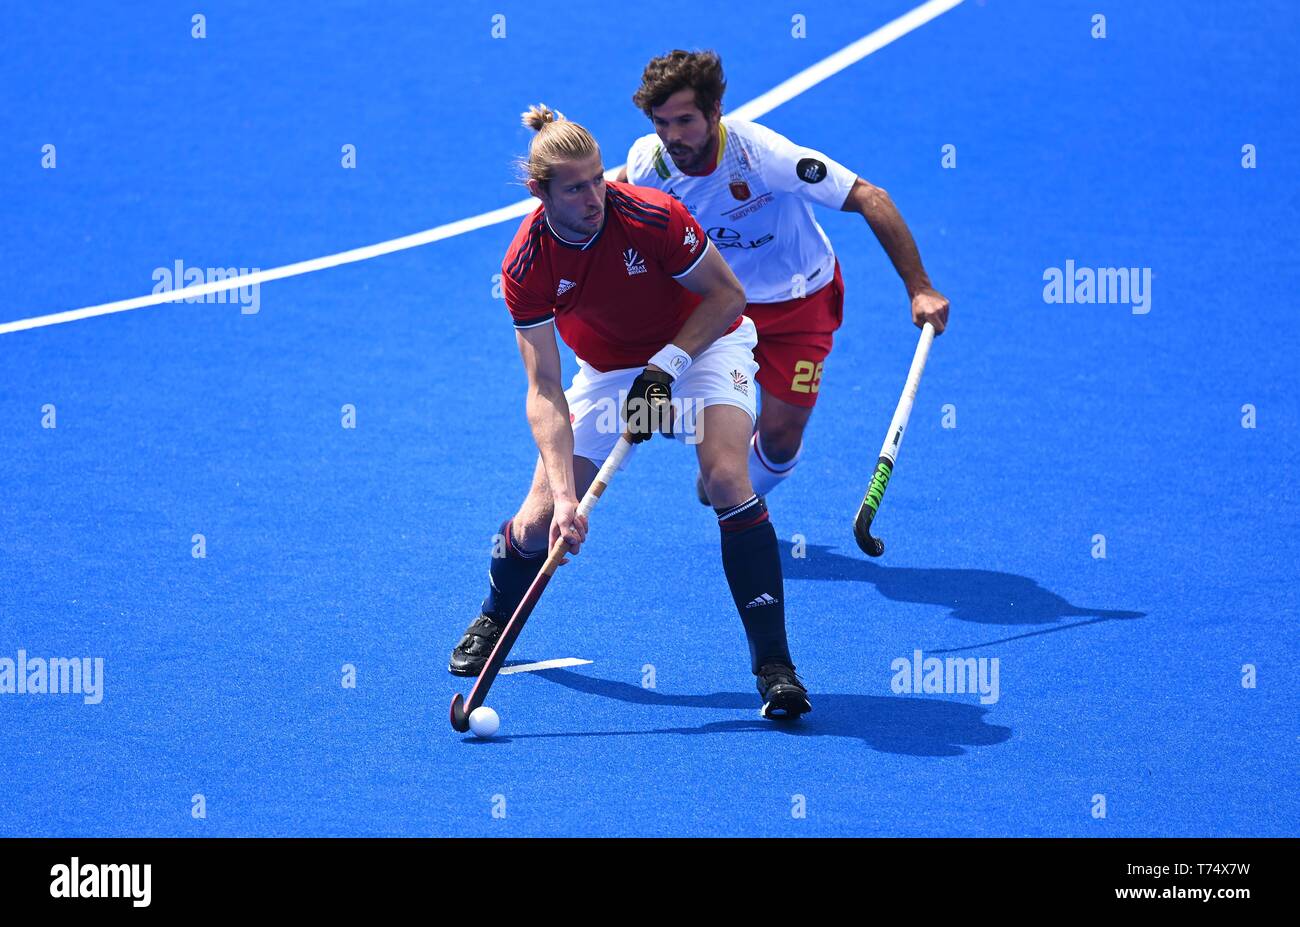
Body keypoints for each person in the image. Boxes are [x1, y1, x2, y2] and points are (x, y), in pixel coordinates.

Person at [448, 104, 811, 719]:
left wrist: (665, 366)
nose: (597, 196)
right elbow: (543, 390)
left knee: (727, 477)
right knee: (537, 522)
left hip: (700, 346)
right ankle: (493, 617)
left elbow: (727, 297)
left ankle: (775, 666)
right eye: (577, 188)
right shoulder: (526, 265)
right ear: (541, 193)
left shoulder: (650, 215)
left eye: (598, 178)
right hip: (611, 374)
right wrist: (566, 498)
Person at [615, 50, 950, 504]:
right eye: (661, 122)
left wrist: (920, 288)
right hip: (716, 302)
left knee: (779, 438)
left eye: (686, 121)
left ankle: (737, 482)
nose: (672, 137)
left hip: (801, 302)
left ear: (716, 111)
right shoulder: (650, 163)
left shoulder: (765, 156)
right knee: (657, 390)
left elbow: (871, 197)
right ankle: (716, 454)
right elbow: (616, 201)